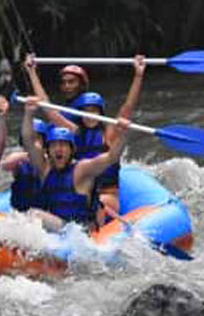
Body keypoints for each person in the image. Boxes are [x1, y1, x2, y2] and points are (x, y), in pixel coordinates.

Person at [23, 54, 146, 223]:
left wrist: (138, 75)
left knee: (100, 204)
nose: (90, 114)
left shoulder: (108, 133)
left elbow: (128, 107)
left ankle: (97, 233)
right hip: (80, 188)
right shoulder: (74, 132)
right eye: (86, 110)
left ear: (101, 113)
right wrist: (32, 73)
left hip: (106, 192)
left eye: (94, 110)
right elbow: (49, 109)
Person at [21, 96, 129, 232]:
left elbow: (112, 157)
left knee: (34, 215)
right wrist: (28, 113)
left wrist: (123, 135)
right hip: (59, 228)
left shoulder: (82, 169)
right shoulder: (44, 168)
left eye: (63, 145)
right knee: (28, 213)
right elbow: (28, 141)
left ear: (72, 150)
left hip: (80, 233)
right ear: (47, 150)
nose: (58, 149)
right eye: (54, 145)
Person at [2, 118, 47, 211]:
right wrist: (30, 155)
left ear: (44, 141)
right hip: (20, 212)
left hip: (42, 211)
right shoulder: (19, 159)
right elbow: (5, 165)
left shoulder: (49, 160)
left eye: (36, 138)